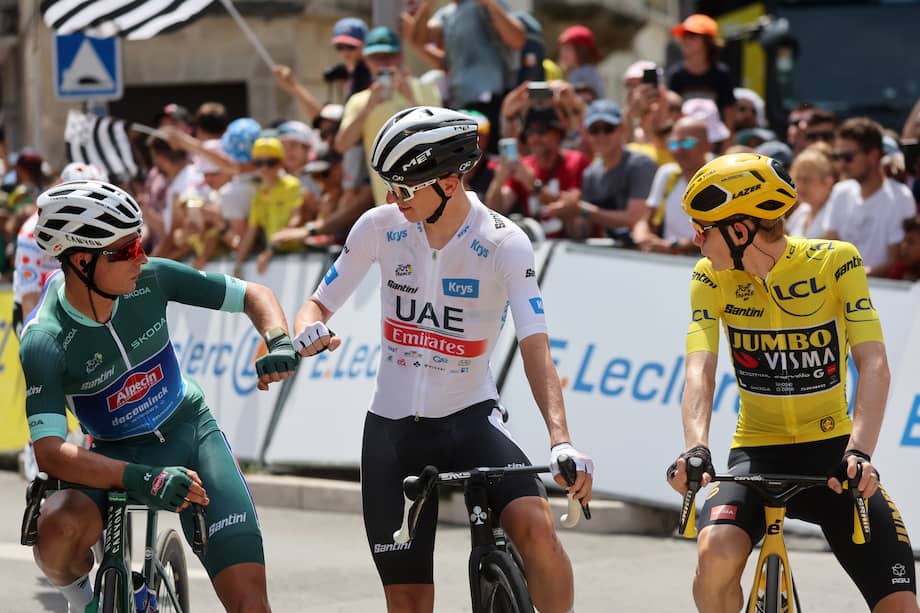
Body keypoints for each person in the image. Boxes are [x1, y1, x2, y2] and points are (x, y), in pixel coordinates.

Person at [292, 106, 593, 613]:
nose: (393, 199)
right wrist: (307, 328)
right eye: (389, 185)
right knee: (409, 601)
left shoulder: (502, 241)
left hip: (471, 419)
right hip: (392, 431)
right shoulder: (379, 227)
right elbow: (317, 303)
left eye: (405, 189)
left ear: (450, 183)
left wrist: (561, 439)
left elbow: (534, 345)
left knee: (537, 530)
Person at [20, 180, 300, 613]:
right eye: (128, 250)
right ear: (81, 261)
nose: (143, 257)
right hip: (112, 453)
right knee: (55, 530)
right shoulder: (45, 339)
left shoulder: (153, 280)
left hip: (189, 433)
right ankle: (88, 605)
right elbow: (51, 453)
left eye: (141, 242)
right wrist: (140, 477)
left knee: (250, 604)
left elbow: (254, 294)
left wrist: (278, 339)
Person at [665, 153, 919, 613]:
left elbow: (873, 362)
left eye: (705, 228)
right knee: (715, 552)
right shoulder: (709, 277)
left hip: (835, 457)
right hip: (756, 454)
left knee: (901, 606)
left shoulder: (835, 262)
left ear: (740, 230)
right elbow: (699, 367)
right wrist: (695, 447)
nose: (696, 239)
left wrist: (859, 451)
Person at [334, 26, 441, 205]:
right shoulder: (360, 100)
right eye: (376, 57)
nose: (383, 63)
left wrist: (411, 98)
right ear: (367, 60)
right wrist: (368, 107)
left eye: (388, 56)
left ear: (400, 56)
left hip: (430, 195)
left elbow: (440, 135)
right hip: (389, 201)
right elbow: (342, 145)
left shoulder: (425, 89)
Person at [821, 117, 916, 277]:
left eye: (848, 157)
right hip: (841, 291)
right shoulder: (840, 192)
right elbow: (830, 246)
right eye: (838, 156)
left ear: (873, 156)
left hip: (884, 294)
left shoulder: (901, 197)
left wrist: (852, 276)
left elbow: (895, 261)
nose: (841, 164)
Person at [633, 117, 709, 253]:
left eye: (687, 143)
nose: (678, 150)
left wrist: (673, 247)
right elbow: (646, 220)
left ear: (707, 145)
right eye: (674, 144)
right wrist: (643, 236)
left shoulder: (720, 177)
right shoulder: (667, 174)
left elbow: (717, 232)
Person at [234, 137, 304, 276]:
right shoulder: (259, 195)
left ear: (280, 164)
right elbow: (250, 232)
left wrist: (269, 250)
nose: (264, 168)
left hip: (295, 254)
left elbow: (296, 219)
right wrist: (238, 265)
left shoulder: (291, 185)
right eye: (259, 163)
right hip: (275, 257)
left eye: (270, 163)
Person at [667, 14, 736, 132]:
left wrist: (727, 143)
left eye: (692, 35)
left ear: (708, 41)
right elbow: (671, 112)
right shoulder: (676, 75)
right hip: (685, 142)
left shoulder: (721, 74)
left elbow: (729, 111)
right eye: (684, 35)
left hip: (715, 142)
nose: (685, 40)